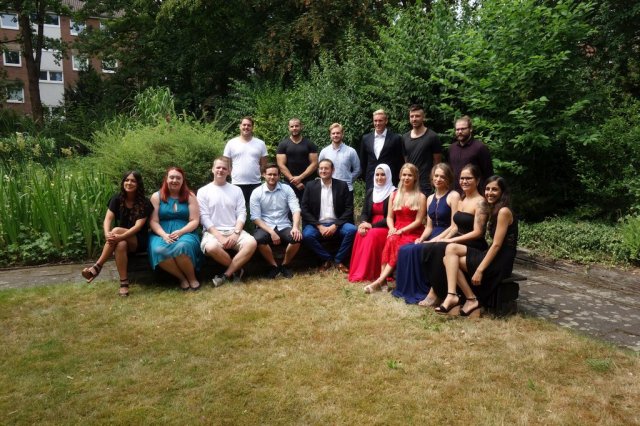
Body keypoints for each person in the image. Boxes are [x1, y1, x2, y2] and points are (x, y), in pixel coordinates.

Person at [436, 176, 518, 316]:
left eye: (494, 189)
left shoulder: (503, 212)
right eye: (487, 189)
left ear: (502, 192)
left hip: (501, 260)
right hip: (493, 253)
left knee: (448, 260)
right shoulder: (495, 209)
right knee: (450, 250)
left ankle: (470, 299)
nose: (489, 193)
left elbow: (497, 245)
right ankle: (455, 295)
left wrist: (479, 270)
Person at [419, 164, 489, 307]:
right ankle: (439, 291)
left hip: (474, 245)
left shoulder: (480, 202)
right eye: (462, 178)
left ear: (477, 180)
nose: (464, 181)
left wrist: (451, 240)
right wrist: (442, 239)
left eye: (468, 178)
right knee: (430, 247)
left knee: (439, 248)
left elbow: (478, 232)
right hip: (459, 241)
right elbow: (454, 226)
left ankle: (436, 293)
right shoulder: (462, 200)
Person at [392, 163, 460, 304]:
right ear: (432, 178)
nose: (438, 179)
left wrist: (437, 240)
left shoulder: (453, 196)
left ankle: (430, 291)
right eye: (436, 176)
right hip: (431, 235)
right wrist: (421, 238)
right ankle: (408, 289)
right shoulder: (430, 198)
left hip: (446, 236)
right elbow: (429, 226)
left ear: (448, 178)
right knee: (405, 249)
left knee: (417, 250)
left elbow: (454, 226)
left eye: (442, 176)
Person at [81, 171, 153, 296]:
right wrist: (106, 234)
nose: (129, 183)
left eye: (133, 181)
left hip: (138, 240)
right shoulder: (117, 199)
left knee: (116, 230)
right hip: (121, 239)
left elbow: (138, 227)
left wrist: (117, 235)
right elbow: (107, 219)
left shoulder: (145, 203)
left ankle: (97, 267)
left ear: (138, 184)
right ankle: (124, 283)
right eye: (126, 180)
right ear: (123, 182)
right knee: (121, 245)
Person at [363, 163, 426, 293]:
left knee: (396, 243)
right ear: (400, 176)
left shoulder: (420, 197)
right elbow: (390, 217)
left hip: (413, 231)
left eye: (410, 175)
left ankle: (379, 281)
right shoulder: (394, 195)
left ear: (415, 177)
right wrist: (391, 228)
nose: (406, 178)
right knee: (391, 239)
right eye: (404, 175)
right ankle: (383, 280)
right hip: (396, 229)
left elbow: (419, 221)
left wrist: (402, 230)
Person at [198, 157, 258, 286]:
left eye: (224, 168)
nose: (221, 170)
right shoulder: (203, 191)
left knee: (251, 242)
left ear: (229, 171)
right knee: (210, 247)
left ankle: (226, 275)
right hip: (213, 232)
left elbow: (242, 213)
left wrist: (236, 233)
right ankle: (237, 270)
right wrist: (219, 236)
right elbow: (204, 217)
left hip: (234, 230)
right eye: (218, 167)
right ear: (212, 169)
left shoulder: (236, 190)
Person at [148, 167, 202, 291]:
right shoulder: (156, 197)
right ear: (166, 179)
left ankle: (192, 278)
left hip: (186, 231)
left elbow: (195, 220)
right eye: (171, 177)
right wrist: (164, 235)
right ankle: (182, 278)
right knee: (159, 250)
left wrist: (181, 232)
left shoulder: (190, 196)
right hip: (161, 232)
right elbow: (153, 221)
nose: (174, 180)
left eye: (178, 178)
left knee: (182, 246)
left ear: (183, 181)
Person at [301, 159, 357, 273]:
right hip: (317, 224)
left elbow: (349, 209)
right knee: (307, 235)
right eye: (321, 168)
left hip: (337, 224)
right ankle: (327, 259)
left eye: (326, 168)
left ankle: (338, 260)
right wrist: (319, 226)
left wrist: (335, 225)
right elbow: (304, 209)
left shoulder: (342, 185)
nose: (323, 171)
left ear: (333, 170)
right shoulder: (310, 186)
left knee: (352, 230)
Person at [250, 163, 303, 279]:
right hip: (265, 226)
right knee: (258, 239)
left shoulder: (287, 189)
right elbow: (255, 217)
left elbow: (296, 209)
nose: (272, 177)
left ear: (279, 176)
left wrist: (295, 227)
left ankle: (284, 265)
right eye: (269, 174)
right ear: (264, 175)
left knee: (297, 238)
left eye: (275, 174)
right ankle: (274, 266)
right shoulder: (257, 192)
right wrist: (272, 232)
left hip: (284, 224)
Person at [348, 164, 395, 282]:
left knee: (372, 235)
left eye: (383, 175)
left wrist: (371, 226)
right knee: (359, 233)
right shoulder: (371, 191)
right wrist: (363, 224)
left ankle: (372, 273)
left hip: (386, 226)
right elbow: (364, 212)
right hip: (370, 225)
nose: (379, 177)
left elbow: (391, 217)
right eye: (377, 175)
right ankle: (359, 271)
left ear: (388, 176)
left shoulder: (393, 193)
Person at [223, 116, 268, 204]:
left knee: (255, 209)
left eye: (249, 125)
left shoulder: (260, 143)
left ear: (252, 127)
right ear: (240, 126)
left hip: (255, 183)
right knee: (237, 209)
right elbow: (226, 162)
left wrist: (257, 174)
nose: (246, 127)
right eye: (244, 125)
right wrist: (231, 173)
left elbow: (264, 164)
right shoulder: (231, 143)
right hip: (236, 183)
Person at [402, 104, 442, 195]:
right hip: (410, 183)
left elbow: (437, 163)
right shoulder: (404, 138)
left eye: (417, 116)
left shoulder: (432, 136)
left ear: (423, 117)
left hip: (426, 185)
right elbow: (406, 163)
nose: (414, 119)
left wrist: (434, 181)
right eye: (412, 116)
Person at [359, 109, 404, 189]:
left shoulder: (395, 138)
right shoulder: (366, 138)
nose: (377, 123)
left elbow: (399, 161)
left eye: (380, 121)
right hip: (371, 181)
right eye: (375, 121)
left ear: (386, 121)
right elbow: (363, 162)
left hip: (390, 181)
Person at [276, 118, 319, 200]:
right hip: (289, 183)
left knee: (307, 206)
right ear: (289, 128)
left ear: (301, 127)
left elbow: (314, 164)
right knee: (290, 206)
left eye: (296, 126)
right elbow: (281, 165)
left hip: (308, 183)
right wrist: (294, 181)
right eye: (292, 126)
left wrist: (300, 178)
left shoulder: (310, 144)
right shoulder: (283, 145)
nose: (294, 128)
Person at [448, 115, 493, 193]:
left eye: (463, 129)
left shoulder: (480, 148)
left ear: (470, 129)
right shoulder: (452, 148)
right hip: (454, 193)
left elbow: (488, 174)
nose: (460, 132)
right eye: (457, 129)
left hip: (475, 193)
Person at [318, 123, 361, 192]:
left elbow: (358, 169)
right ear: (330, 135)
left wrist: (349, 179)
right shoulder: (324, 152)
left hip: (347, 189)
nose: (335, 135)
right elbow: (319, 168)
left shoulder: (351, 151)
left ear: (342, 134)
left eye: (338, 133)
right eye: (333, 133)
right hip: (329, 189)